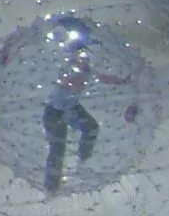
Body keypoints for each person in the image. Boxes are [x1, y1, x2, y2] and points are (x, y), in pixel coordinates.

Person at [42, 18, 127, 195]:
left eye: (86, 56)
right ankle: (51, 186)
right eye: (81, 56)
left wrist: (121, 81)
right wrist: (76, 81)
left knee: (91, 128)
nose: (84, 59)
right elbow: (67, 83)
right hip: (55, 112)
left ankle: (83, 161)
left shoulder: (86, 70)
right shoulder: (67, 69)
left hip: (71, 108)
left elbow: (102, 77)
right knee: (58, 147)